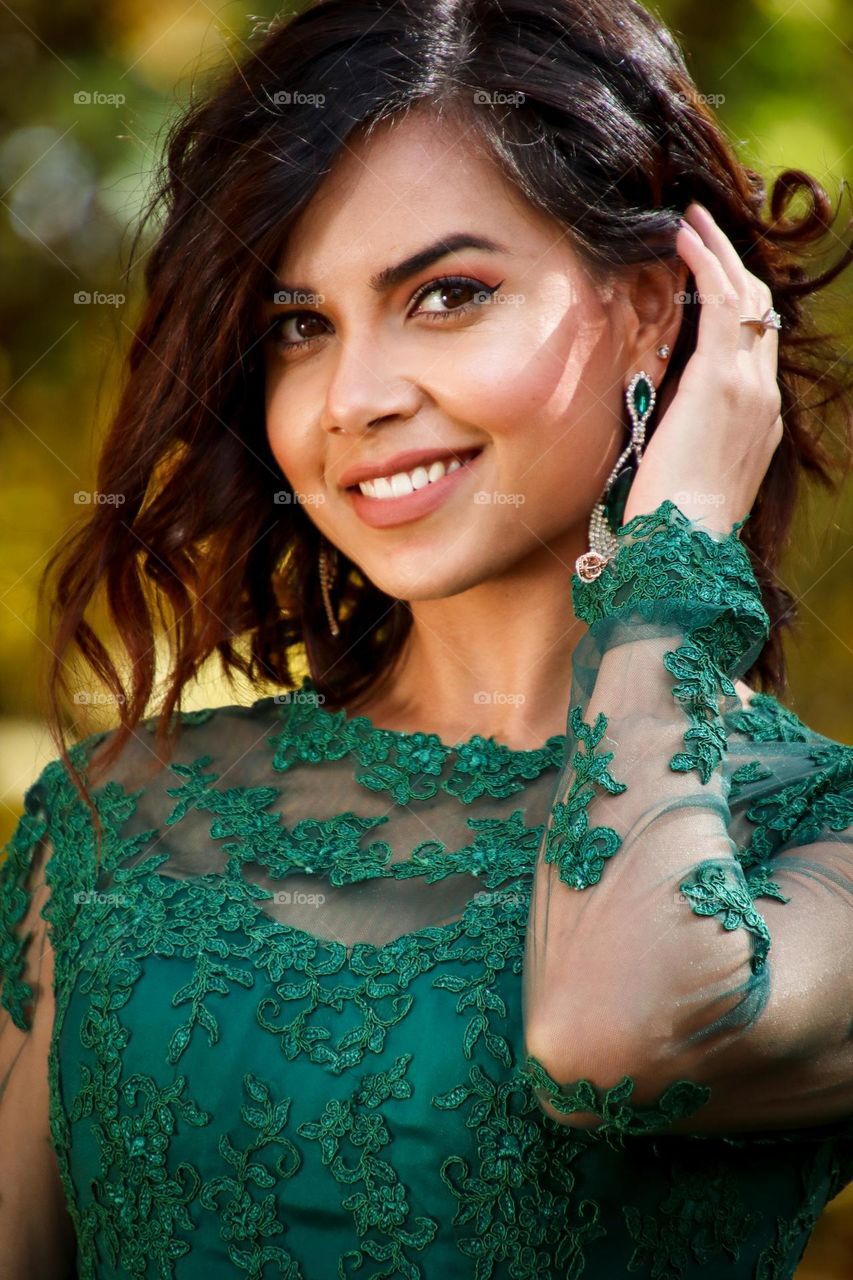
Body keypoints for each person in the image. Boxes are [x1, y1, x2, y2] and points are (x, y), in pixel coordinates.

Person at [2, 0, 852, 1275]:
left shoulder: (815, 837)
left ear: (654, 310)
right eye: (301, 326)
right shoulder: (119, 814)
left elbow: (615, 1038)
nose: (354, 398)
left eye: (447, 294)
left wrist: (675, 556)